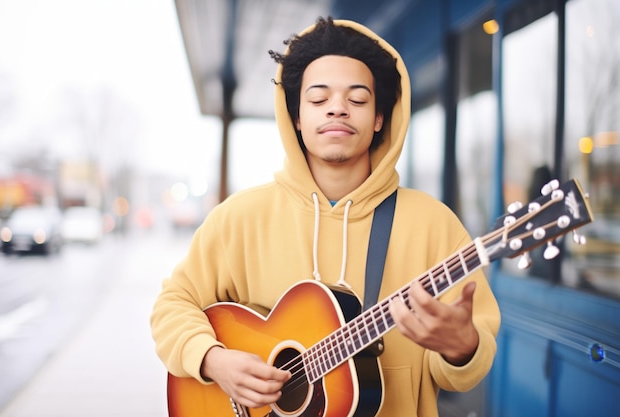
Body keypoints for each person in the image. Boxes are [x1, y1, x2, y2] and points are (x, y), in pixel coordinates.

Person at [151, 16, 500, 417]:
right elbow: (172, 304)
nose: (337, 108)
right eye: (318, 99)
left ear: (380, 119)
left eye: (357, 99)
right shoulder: (239, 219)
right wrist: (212, 359)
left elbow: (465, 371)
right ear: (297, 119)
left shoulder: (434, 225)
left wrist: (462, 347)